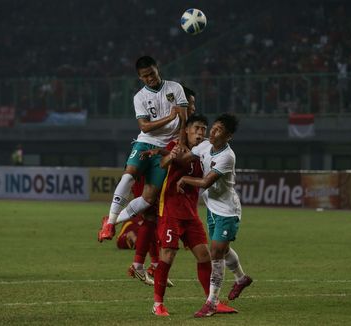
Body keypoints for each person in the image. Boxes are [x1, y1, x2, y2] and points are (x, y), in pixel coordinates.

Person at [140, 114, 237, 316]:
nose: (201, 132)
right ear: (187, 130)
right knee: (168, 254)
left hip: (191, 213)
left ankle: (212, 301)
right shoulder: (176, 145)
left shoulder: (205, 150)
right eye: (197, 128)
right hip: (170, 211)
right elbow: (164, 163)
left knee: (204, 256)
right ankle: (158, 304)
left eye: (204, 128)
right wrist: (166, 154)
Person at [97, 56, 189, 245]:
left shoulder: (175, 88)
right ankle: (110, 223)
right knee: (129, 175)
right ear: (140, 77)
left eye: (152, 73)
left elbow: (183, 117)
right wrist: (169, 117)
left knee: (148, 199)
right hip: (145, 142)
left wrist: (181, 138)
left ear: (158, 68)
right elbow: (145, 127)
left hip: (165, 148)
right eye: (145, 76)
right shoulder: (139, 97)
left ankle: (111, 221)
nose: (150, 78)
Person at [176, 113, 252, 318]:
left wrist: (184, 179)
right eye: (214, 127)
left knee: (216, 252)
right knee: (223, 250)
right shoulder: (205, 146)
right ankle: (241, 278)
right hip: (212, 208)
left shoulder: (227, 156)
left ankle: (212, 302)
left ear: (228, 136)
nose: (213, 131)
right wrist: (169, 151)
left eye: (219, 130)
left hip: (227, 211)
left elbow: (205, 183)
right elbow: (184, 158)